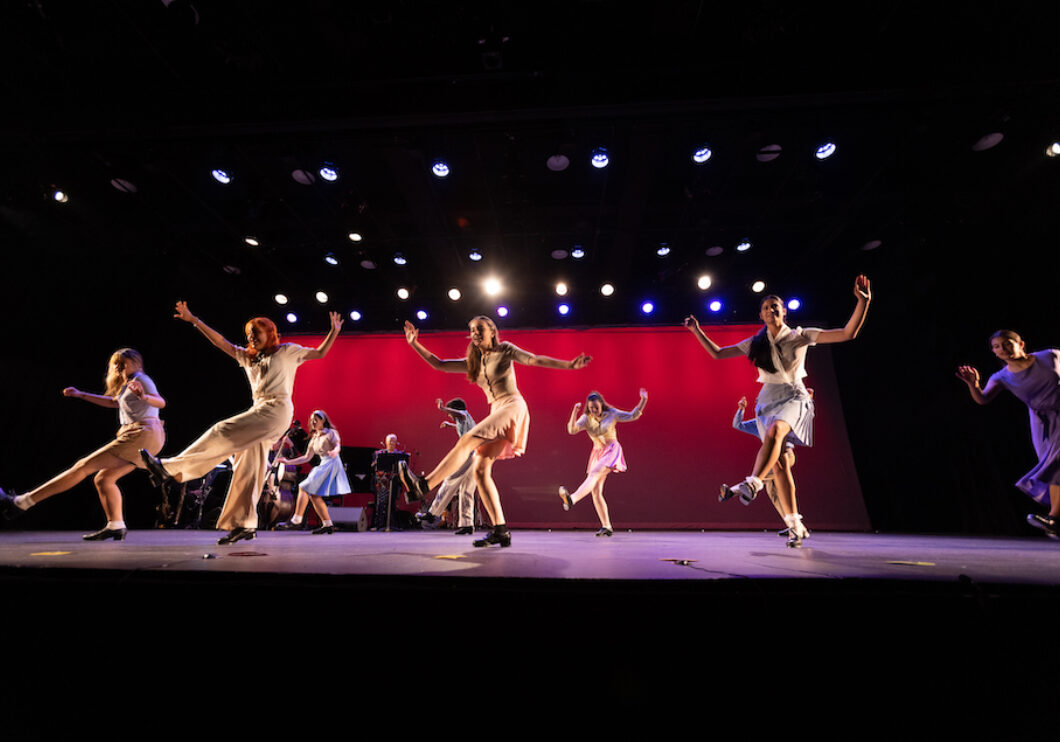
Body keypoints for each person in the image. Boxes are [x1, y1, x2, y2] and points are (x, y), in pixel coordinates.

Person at [684, 275, 871, 546]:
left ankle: (754, 482)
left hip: (794, 398)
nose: (771, 310)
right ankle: (796, 525)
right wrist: (696, 331)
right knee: (782, 465)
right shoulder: (756, 343)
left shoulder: (801, 335)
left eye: (776, 306)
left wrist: (863, 302)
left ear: (784, 311)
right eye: (767, 307)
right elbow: (718, 353)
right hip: (767, 402)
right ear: (760, 315)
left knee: (776, 430)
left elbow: (847, 333)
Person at [140, 301, 342, 545]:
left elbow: (319, 353)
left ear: (270, 332)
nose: (251, 338)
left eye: (255, 333)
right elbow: (220, 341)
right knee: (248, 467)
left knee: (221, 430)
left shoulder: (287, 351)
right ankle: (244, 524)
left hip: (276, 410)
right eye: (248, 335)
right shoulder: (248, 357)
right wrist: (194, 320)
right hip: (259, 411)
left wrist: (333, 332)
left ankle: (169, 468)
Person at [399, 316, 591, 547]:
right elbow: (439, 363)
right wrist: (414, 344)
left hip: (512, 406)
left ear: (492, 331)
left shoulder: (505, 350)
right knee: (480, 470)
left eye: (479, 328)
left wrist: (568, 365)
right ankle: (500, 530)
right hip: (496, 410)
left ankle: (424, 486)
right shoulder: (474, 361)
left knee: (468, 440)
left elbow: (533, 359)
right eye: (471, 330)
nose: (475, 333)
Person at [0, 348, 166, 541]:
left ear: (136, 363)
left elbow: (160, 402)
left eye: (124, 363)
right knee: (103, 479)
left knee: (82, 467)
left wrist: (144, 397)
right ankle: (116, 525)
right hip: (145, 436)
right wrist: (80, 394)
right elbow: (114, 403)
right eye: (116, 364)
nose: (119, 367)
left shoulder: (142, 380)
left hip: (142, 433)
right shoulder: (127, 385)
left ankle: (21, 502)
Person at [956, 330, 1060, 539]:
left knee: (1057, 462)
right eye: (996, 347)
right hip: (1043, 422)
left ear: (1021, 343)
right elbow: (983, 399)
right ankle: (1055, 521)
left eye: (1007, 344)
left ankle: (1054, 518)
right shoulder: (1002, 377)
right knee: (1054, 467)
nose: (1002, 349)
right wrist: (973, 385)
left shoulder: (1050, 356)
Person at [558, 388, 648, 537]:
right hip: (598, 452)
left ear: (601, 405)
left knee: (593, 474)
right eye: (591, 408)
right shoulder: (586, 418)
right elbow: (572, 430)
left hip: (611, 450)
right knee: (596, 491)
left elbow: (632, 415)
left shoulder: (612, 414)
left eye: (596, 408)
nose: (594, 411)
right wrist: (575, 411)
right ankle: (607, 526)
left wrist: (643, 400)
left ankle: (572, 499)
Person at [274, 410, 350, 534]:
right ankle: (327, 524)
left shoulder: (331, 433)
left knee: (303, 487)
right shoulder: (314, 437)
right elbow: (306, 457)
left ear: (323, 420)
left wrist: (335, 451)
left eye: (316, 419)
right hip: (323, 464)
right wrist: (287, 461)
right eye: (311, 420)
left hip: (332, 463)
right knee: (314, 495)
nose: (313, 422)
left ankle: (296, 520)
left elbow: (337, 445)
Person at [415, 398, 478, 535]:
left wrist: (443, 408)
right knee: (466, 490)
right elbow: (461, 424)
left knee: (450, 479)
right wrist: (450, 425)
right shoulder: (464, 421)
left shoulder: (464, 414)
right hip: (476, 455)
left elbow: (461, 413)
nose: (449, 415)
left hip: (468, 453)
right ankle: (467, 524)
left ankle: (433, 513)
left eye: (450, 413)